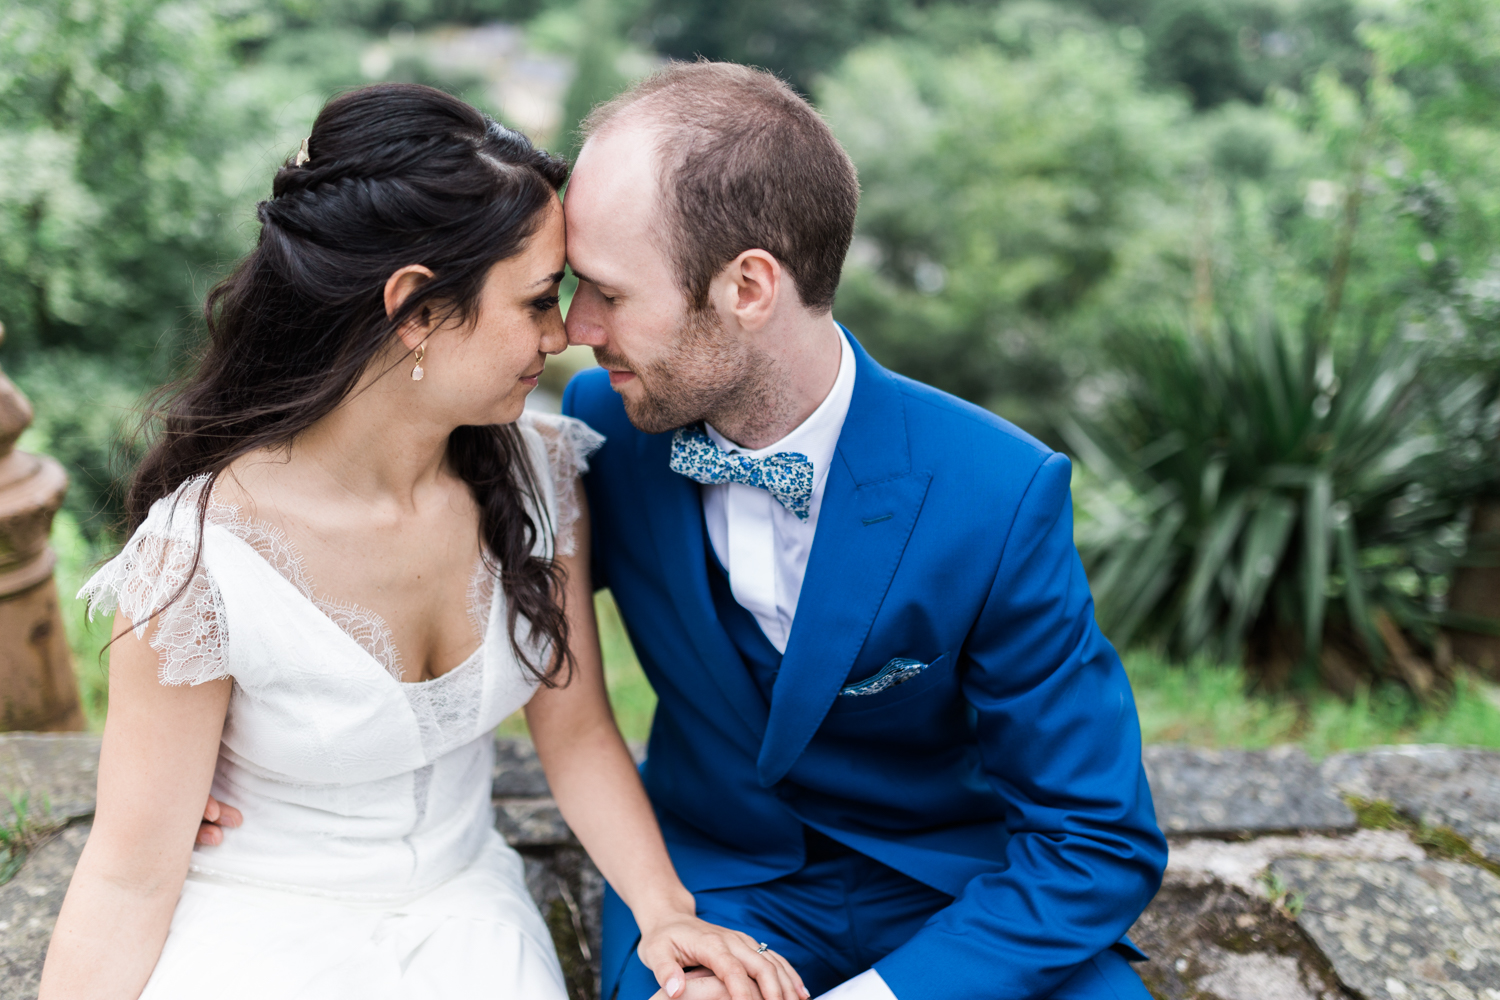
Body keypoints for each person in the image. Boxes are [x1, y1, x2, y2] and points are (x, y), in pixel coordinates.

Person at [38, 83, 806, 1000]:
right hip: (256, 924)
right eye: (537, 300)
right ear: (416, 310)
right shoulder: (202, 561)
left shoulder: (542, 474)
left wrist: (665, 911)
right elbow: (128, 879)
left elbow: (579, 734)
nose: (564, 333)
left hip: (470, 918)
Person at [559, 63, 1169, 1000]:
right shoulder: (603, 427)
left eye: (608, 292)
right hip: (717, 883)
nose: (576, 326)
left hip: (948, 894)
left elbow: (1096, 836)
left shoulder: (997, 492)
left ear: (748, 287)